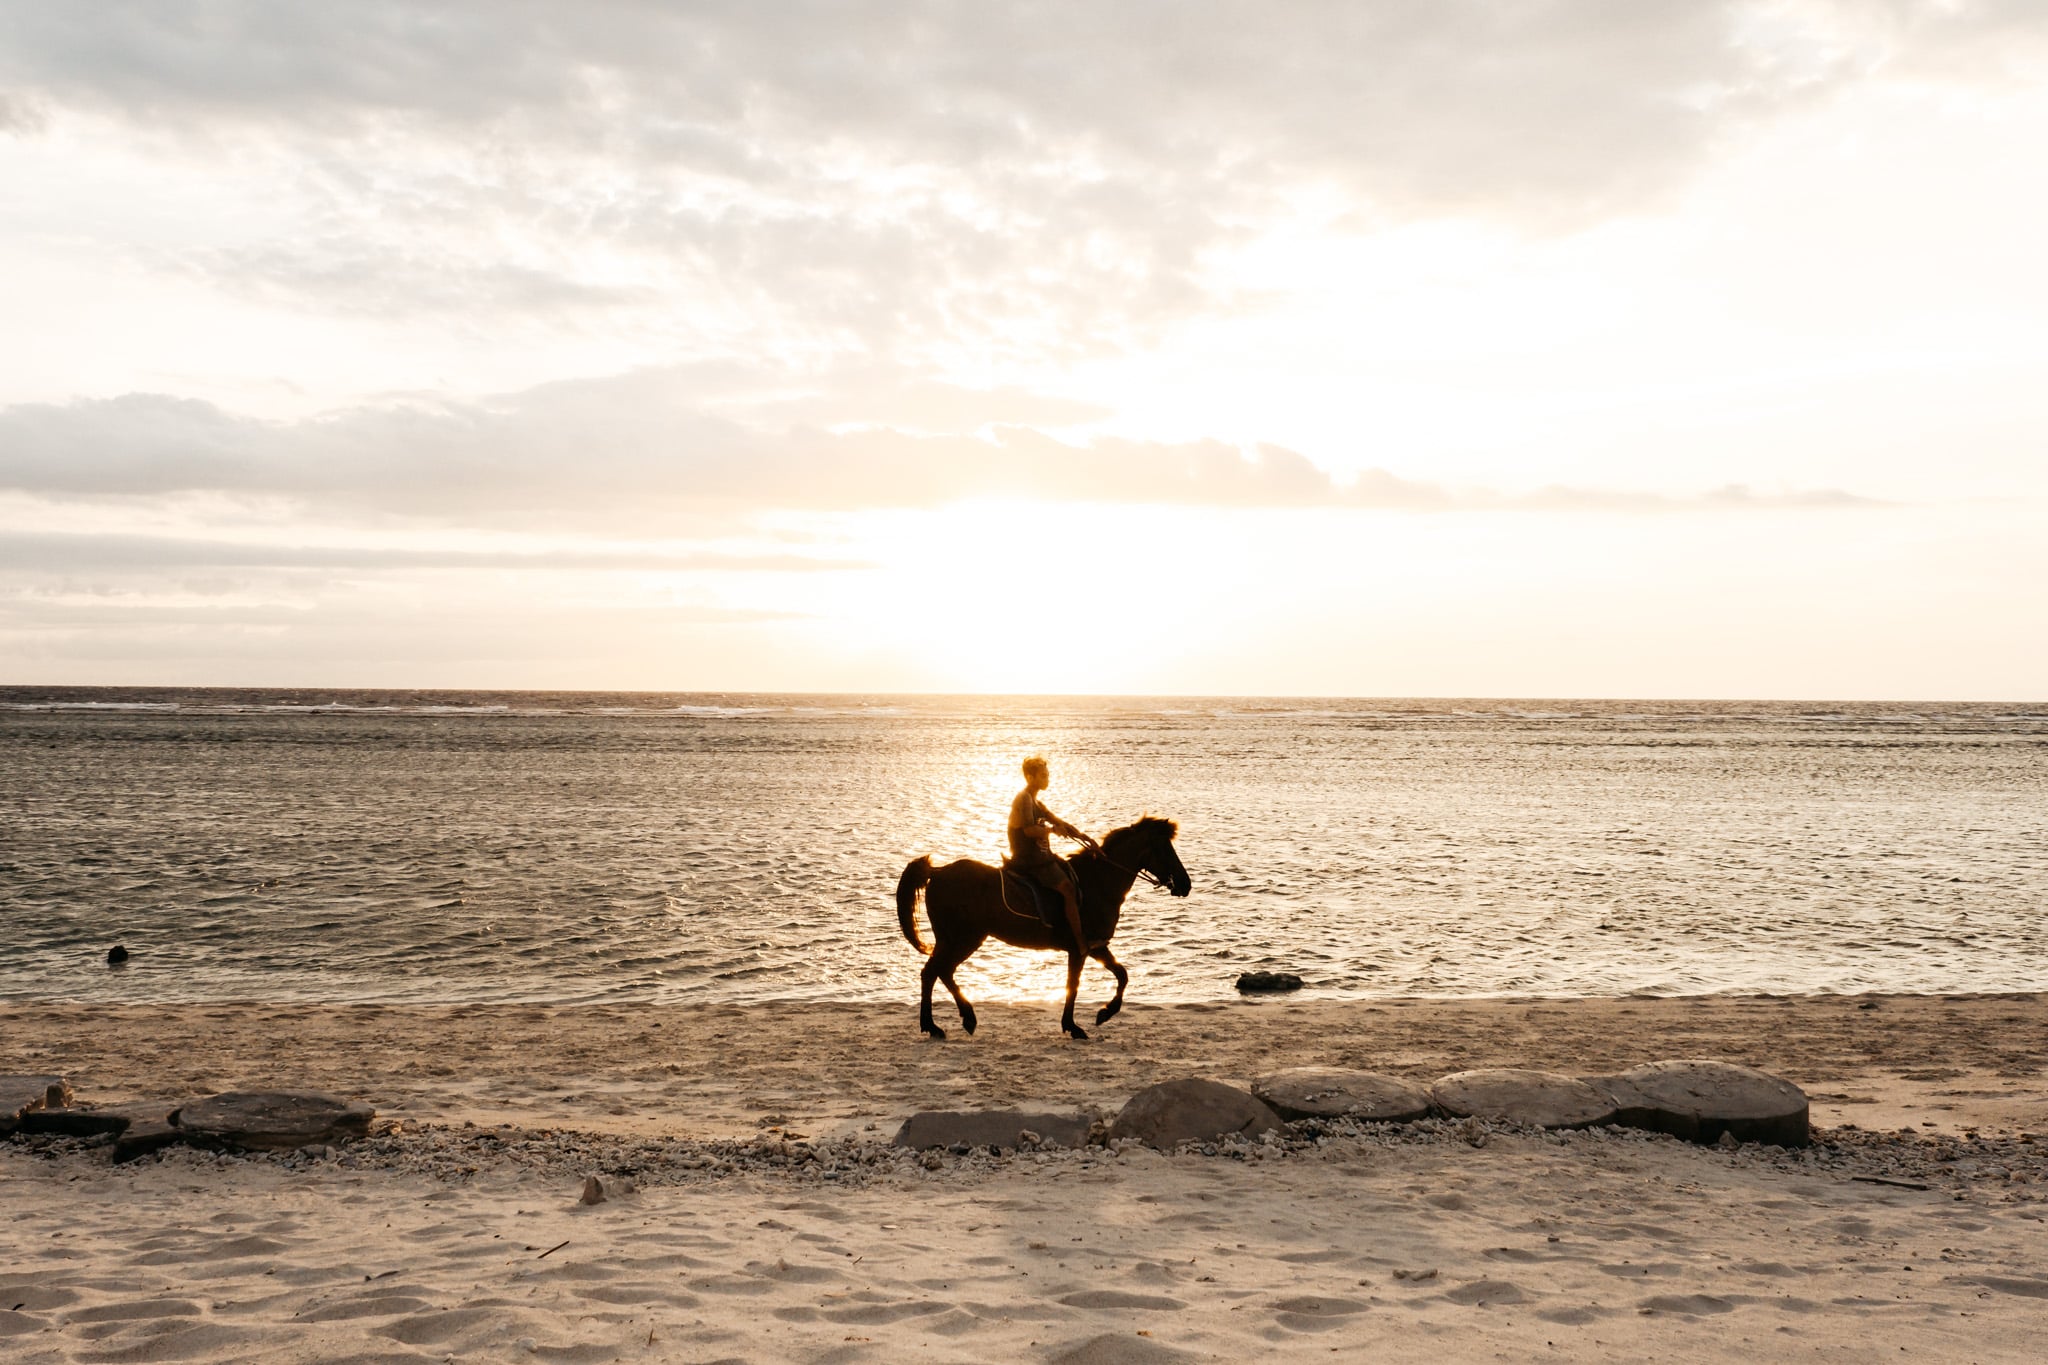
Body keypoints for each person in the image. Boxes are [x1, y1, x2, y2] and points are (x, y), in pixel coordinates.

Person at [1008, 755, 1097, 951]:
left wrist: (1084, 837)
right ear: (1030, 778)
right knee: (1068, 888)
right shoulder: (1023, 798)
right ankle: (1080, 941)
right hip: (1028, 859)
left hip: (1042, 857)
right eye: (1042, 776)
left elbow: (1059, 822)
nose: (1047, 779)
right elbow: (1029, 830)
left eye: (1047, 775)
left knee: (1073, 874)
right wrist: (1052, 831)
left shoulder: (1037, 803)